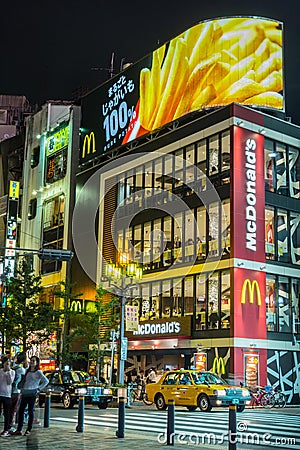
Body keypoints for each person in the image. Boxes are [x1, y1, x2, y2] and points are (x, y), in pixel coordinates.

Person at [12, 356, 48, 437]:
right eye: (31, 360)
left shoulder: (38, 372)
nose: (32, 362)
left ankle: (28, 429)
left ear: (37, 363)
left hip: (32, 393)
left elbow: (46, 381)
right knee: (21, 411)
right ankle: (19, 429)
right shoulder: (27, 371)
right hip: (25, 392)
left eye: (33, 361)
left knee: (30, 411)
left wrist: (38, 389)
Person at [8, 352, 28, 433]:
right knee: (13, 410)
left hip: (8, 390)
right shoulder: (21, 370)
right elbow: (24, 380)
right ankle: (10, 426)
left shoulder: (12, 366)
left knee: (8, 409)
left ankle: (8, 425)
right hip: (16, 391)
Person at [0, 356, 15, 437]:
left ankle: (6, 429)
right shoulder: (0, 371)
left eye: (8, 362)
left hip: (7, 395)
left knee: (6, 413)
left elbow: (10, 382)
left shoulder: (12, 372)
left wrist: (8, 372)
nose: (7, 364)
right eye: (6, 362)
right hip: (0, 394)